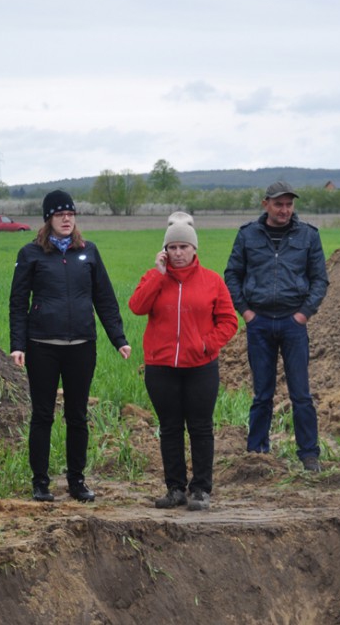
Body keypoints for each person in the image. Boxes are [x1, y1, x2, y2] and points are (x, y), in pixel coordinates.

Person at [9, 190, 131, 503]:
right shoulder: (31, 253)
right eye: (60, 214)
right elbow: (18, 302)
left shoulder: (88, 252)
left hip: (81, 346)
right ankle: (40, 483)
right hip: (42, 347)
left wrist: (119, 338)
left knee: (77, 416)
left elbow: (104, 298)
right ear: (48, 218)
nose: (66, 218)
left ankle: (77, 481)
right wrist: (18, 344)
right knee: (43, 415)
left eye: (71, 214)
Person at [129, 212, 238, 511]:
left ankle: (201, 490)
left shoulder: (212, 282)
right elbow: (137, 307)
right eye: (172, 247)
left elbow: (229, 321)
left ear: (194, 249)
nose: (178, 253)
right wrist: (158, 274)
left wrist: (206, 344)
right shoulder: (155, 279)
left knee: (201, 427)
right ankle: (175, 488)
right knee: (170, 427)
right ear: (165, 250)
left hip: (201, 367)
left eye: (183, 247)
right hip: (161, 367)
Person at [224, 181, 329, 472]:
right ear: (265, 204)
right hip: (258, 323)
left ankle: (309, 454)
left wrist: (304, 313)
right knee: (262, 394)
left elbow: (320, 279)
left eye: (289, 204)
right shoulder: (248, 235)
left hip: (293, 322)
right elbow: (232, 274)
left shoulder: (308, 236)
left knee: (301, 393)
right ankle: (257, 452)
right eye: (278, 204)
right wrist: (245, 312)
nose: (284, 210)